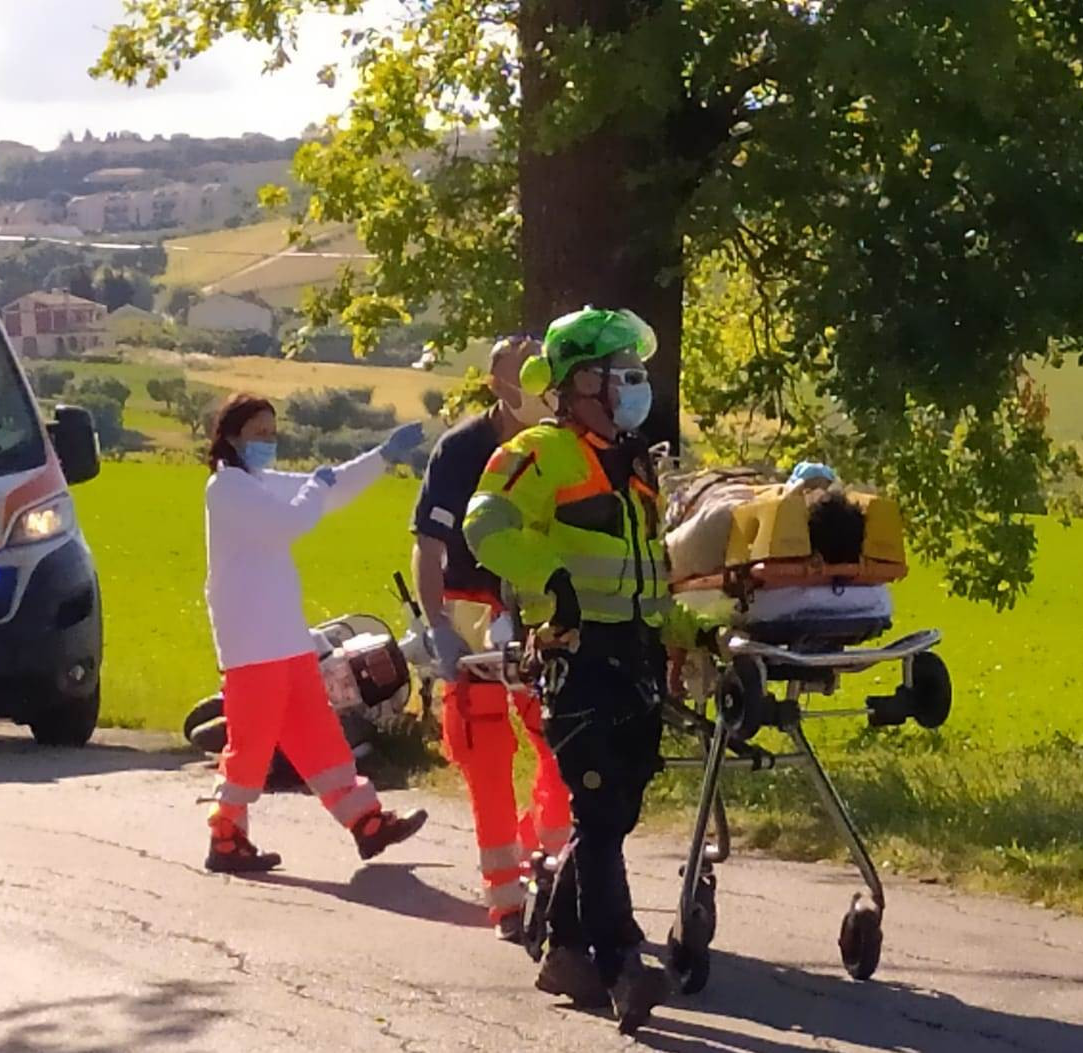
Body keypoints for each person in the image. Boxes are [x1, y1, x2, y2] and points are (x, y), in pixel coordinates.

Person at [465, 307, 716, 1034]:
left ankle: (566, 948)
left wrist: (689, 634)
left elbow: (652, 574)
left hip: (634, 655)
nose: (637, 386)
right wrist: (551, 580)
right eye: (621, 374)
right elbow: (486, 524)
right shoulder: (539, 453)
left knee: (614, 811)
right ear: (580, 382)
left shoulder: (633, 466)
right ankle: (622, 962)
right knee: (601, 812)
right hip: (578, 658)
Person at [202, 393, 430, 874]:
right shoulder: (227, 489)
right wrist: (316, 488)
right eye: (258, 434)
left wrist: (380, 458)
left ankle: (366, 821)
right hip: (251, 645)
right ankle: (226, 835)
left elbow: (327, 490)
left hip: (285, 639)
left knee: (318, 735)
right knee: (251, 745)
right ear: (232, 438)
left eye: (272, 432)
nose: (268, 441)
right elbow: (293, 520)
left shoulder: (259, 483)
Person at [411, 335, 572, 942]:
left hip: (541, 603)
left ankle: (549, 861)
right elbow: (429, 544)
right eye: (520, 366)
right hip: (474, 604)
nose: (534, 379)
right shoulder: (461, 450)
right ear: (496, 381)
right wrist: (437, 625)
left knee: (561, 738)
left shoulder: (563, 446)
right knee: (486, 752)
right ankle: (506, 900)